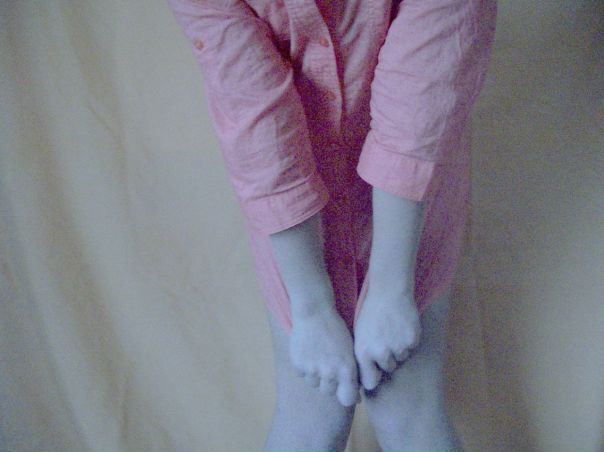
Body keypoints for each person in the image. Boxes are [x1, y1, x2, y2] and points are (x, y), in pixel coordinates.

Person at [165, 1, 497, 451]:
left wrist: (391, 290)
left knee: (406, 404)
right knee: (312, 412)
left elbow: (422, 95)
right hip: (292, 198)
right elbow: (255, 115)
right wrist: (311, 308)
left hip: (416, 185)